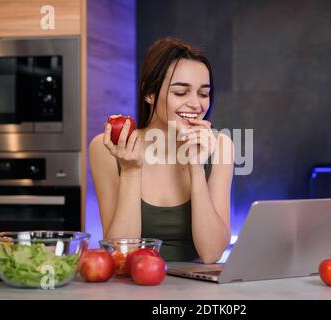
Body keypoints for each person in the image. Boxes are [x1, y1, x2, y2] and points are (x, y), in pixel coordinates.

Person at [89, 37, 234, 264]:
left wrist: (196, 167)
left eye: (203, 94)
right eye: (180, 92)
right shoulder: (108, 147)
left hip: (196, 289)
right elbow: (120, 253)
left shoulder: (221, 145)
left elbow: (212, 253)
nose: (196, 104)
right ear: (150, 94)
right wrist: (131, 171)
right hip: (131, 287)